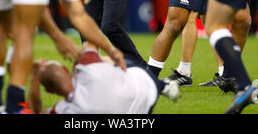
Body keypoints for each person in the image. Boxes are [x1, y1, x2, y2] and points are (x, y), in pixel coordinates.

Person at [27, 42, 180, 114]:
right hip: (147, 85)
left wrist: (34, 76)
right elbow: (90, 44)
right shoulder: (86, 67)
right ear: (65, 69)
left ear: (48, 90)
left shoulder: (64, 110)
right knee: (113, 61)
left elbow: (37, 111)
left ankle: (164, 85)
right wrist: (76, 58)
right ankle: (164, 85)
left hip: (141, 113)